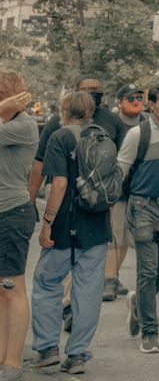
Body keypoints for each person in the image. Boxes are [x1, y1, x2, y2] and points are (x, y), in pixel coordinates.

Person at [29, 92, 113, 375]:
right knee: (88, 292)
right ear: (91, 112)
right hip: (97, 224)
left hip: (65, 223)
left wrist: (47, 221)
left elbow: (60, 184)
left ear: (65, 111)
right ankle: (77, 355)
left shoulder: (61, 137)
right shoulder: (104, 135)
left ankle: (47, 348)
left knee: (46, 282)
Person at [117, 83, 159, 354]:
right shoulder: (137, 133)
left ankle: (138, 307)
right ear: (151, 104)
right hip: (143, 207)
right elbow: (121, 169)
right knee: (147, 270)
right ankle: (149, 332)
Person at [0, 72, 38, 381]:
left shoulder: (23, 126)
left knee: (12, 290)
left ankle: (13, 363)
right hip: (5, 213)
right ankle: (3, 356)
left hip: (12, 213)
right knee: (2, 291)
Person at [104, 83, 147, 302]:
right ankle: (108, 280)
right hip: (116, 188)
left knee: (126, 239)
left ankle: (113, 275)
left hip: (138, 188)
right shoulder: (112, 123)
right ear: (119, 102)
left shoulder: (146, 122)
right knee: (114, 235)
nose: (136, 101)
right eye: (131, 98)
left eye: (139, 97)